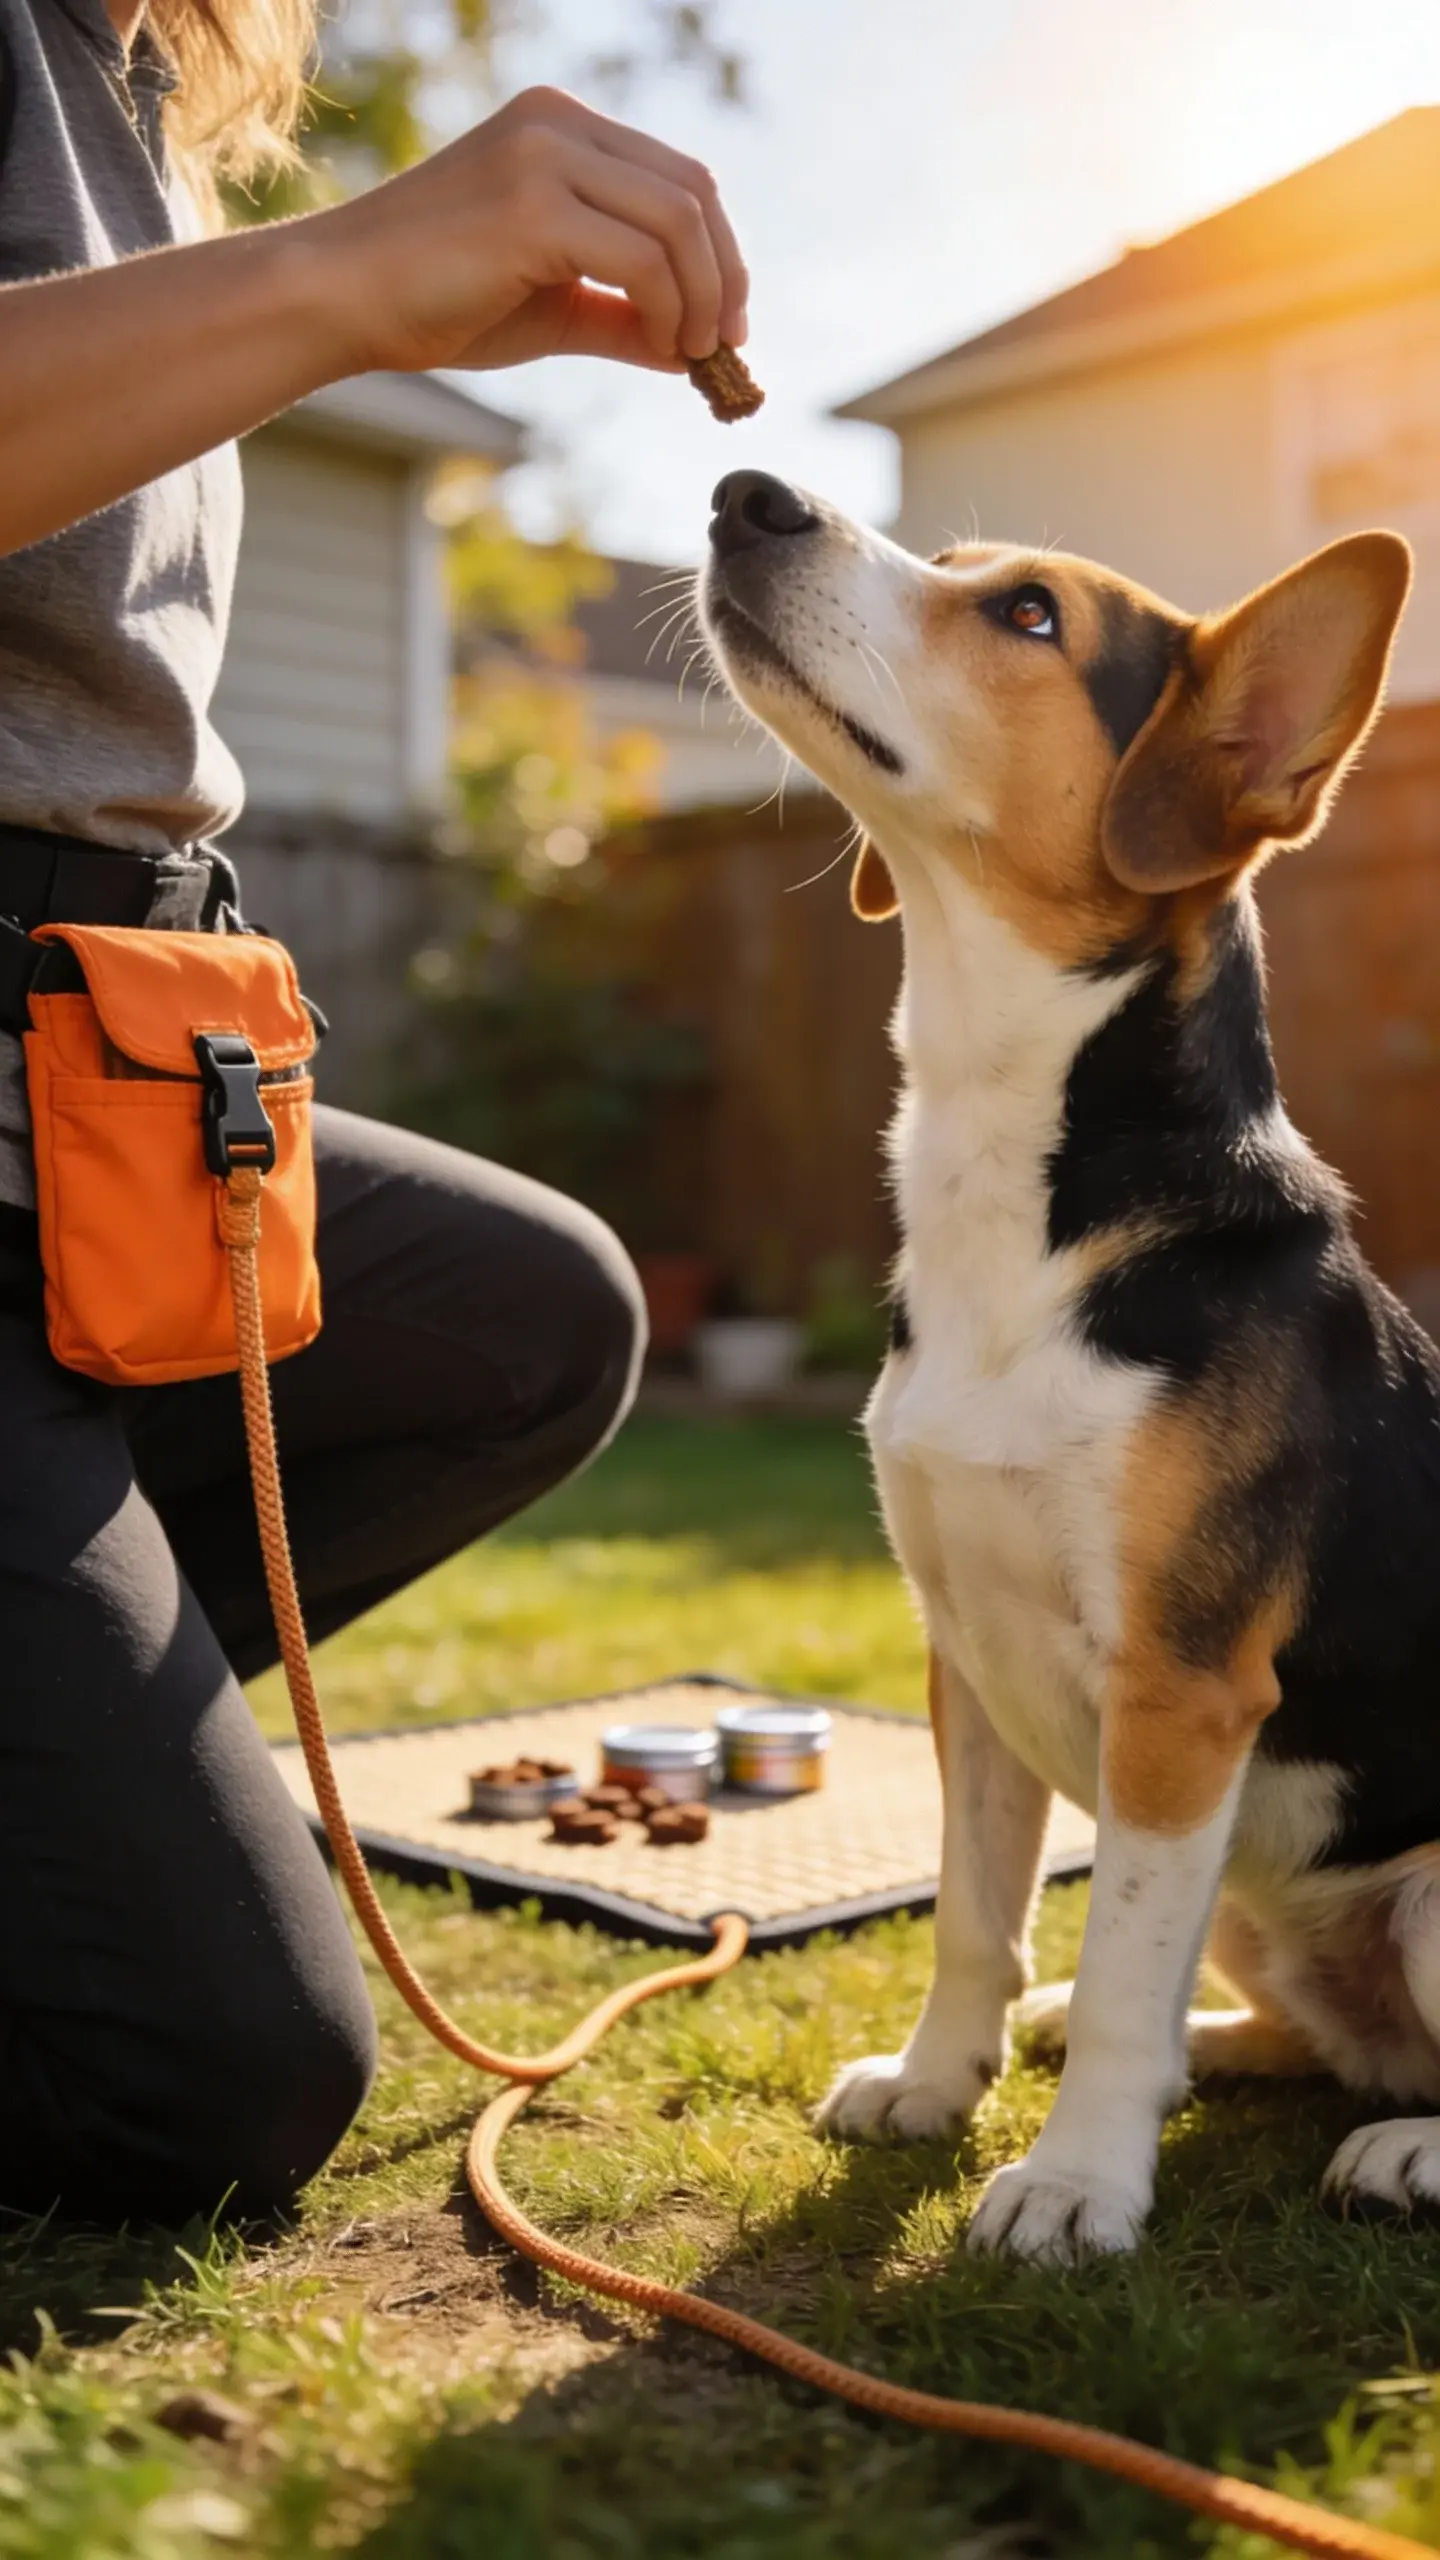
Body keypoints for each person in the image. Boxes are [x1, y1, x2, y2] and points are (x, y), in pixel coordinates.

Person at [0, 0, 749, 2227]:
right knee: (215, 2077)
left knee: (532, 1312)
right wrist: (339, 279)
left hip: (107, 1064)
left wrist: (307, 299)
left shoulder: (126, 76)